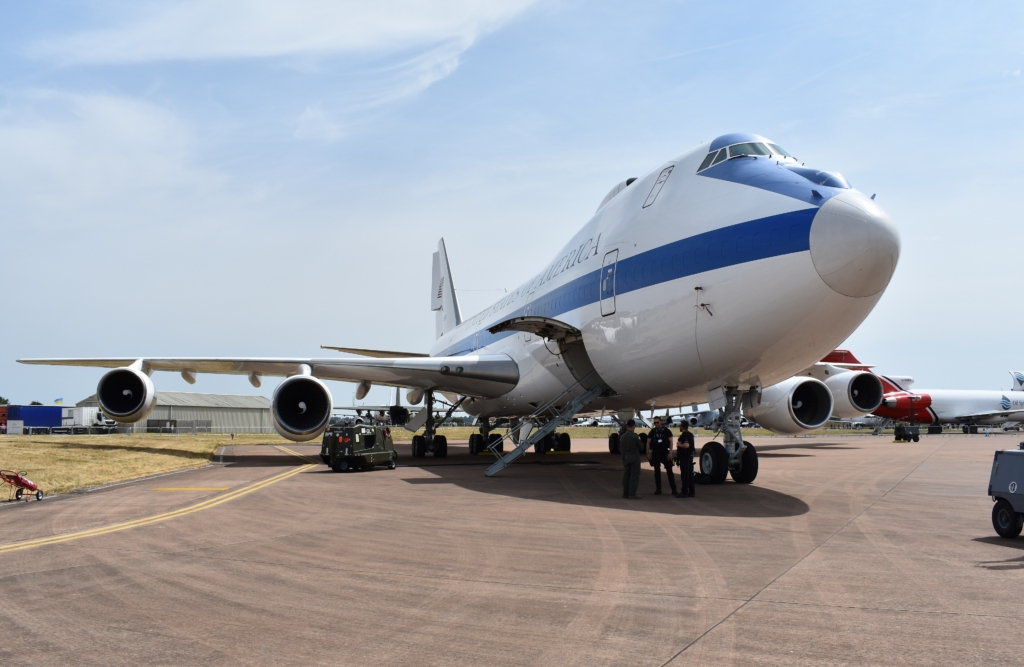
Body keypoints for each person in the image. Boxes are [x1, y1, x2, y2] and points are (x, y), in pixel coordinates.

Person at [647, 417, 677, 496]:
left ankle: (674, 489)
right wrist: (648, 453)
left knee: (669, 471)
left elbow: (671, 442)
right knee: (657, 472)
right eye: (655, 423)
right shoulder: (653, 432)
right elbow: (648, 442)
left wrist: (670, 453)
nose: (656, 424)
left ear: (661, 422)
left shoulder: (667, 431)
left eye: (657, 422)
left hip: (665, 452)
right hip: (656, 452)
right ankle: (658, 489)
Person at [619, 419, 642, 499]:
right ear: (633, 426)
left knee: (626, 476)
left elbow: (621, 449)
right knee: (634, 475)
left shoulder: (622, 437)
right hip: (634, 457)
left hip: (626, 457)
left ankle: (625, 493)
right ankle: (632, 493)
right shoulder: (635, 436)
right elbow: (641, 447)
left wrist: (623, 458)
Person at [674, 422, 696, 498]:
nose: (679, 427)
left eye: (680, 426)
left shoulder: (685, 435)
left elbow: (686, 445)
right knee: (690, 474)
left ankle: (684, 492)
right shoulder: (690, 434)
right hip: (689, 456)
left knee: (685, 475)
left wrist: (679, 444)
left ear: (682, 427)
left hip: (685, 457)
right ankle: (692, 492)